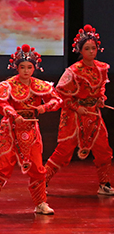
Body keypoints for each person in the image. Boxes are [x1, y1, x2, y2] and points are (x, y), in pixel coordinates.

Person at [0, 45, 62, 216]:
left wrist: (44, 107)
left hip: (31, 129)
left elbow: (56, 100)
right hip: (10, 129)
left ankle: (41, 203)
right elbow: (1, 103)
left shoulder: (39, 85)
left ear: (34, 68)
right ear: (16, 68)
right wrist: (13, 114)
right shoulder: (8, 85)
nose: (26, 70)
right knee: (3, 166)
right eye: (22, 67)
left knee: (37, 167)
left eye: (29, 67)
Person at [43, 25, 113, 195]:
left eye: (93, 48)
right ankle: (41, 181)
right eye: (87, 48)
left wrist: (101, 98)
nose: (91, 51)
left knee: (103, 149)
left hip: (93, 114)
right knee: (64, 151)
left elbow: (101, 87)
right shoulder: (73, 71)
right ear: (80, 51)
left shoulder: (102, 68)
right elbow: (59, 92)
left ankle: (104, 183)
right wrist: (76, 107)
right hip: (73, 116)